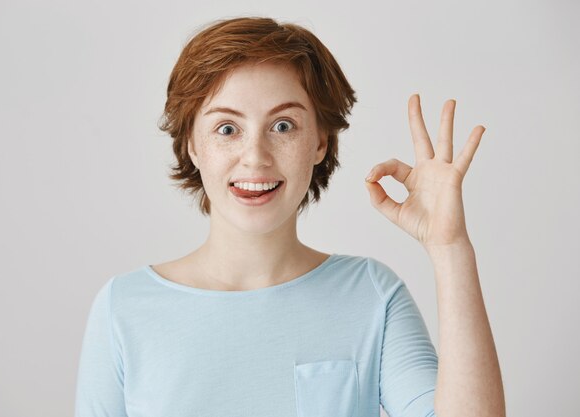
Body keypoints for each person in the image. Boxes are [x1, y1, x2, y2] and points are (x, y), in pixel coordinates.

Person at [74, 16, 505, 417]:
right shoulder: (123, 309)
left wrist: (450, 249)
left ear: (320, 141)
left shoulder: (373, 296)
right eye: (227, 128)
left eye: (283, 126)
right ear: (192, 144)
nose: (256, 157)